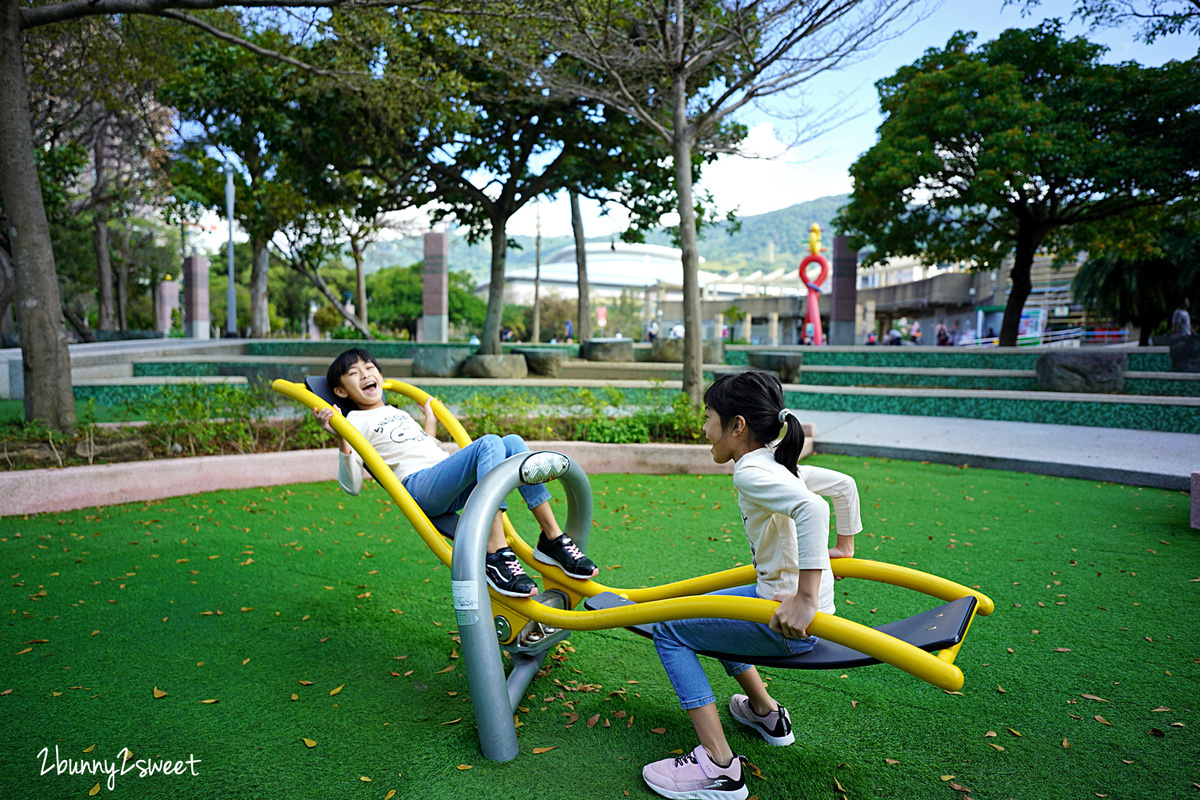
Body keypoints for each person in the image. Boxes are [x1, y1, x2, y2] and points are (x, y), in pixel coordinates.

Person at [641, 371, 861, 800]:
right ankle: (765, 712)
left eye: (709, 417)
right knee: (706, 609)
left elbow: (813, 507)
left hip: (789, 623)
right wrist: (845, 547)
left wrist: (805, 599)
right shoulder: (776, 462)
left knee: (668, 629)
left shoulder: (751, 473)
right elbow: (843, 486)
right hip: (777, 604)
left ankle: (718, 766)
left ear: (737, 425)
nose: (704, 428)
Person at [314, 348, 597, 598]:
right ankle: (495, 552)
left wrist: (429, 422)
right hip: (419, 488)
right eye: (354, 373)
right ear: (341, 391)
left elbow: (422, 449)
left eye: (369, 367)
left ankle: (552, 538)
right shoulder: (353, 421)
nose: (365, 374)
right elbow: (352, 486)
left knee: (512, 442)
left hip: (440, 479)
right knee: (489, 443)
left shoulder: (396, 412)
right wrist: (340, 434)